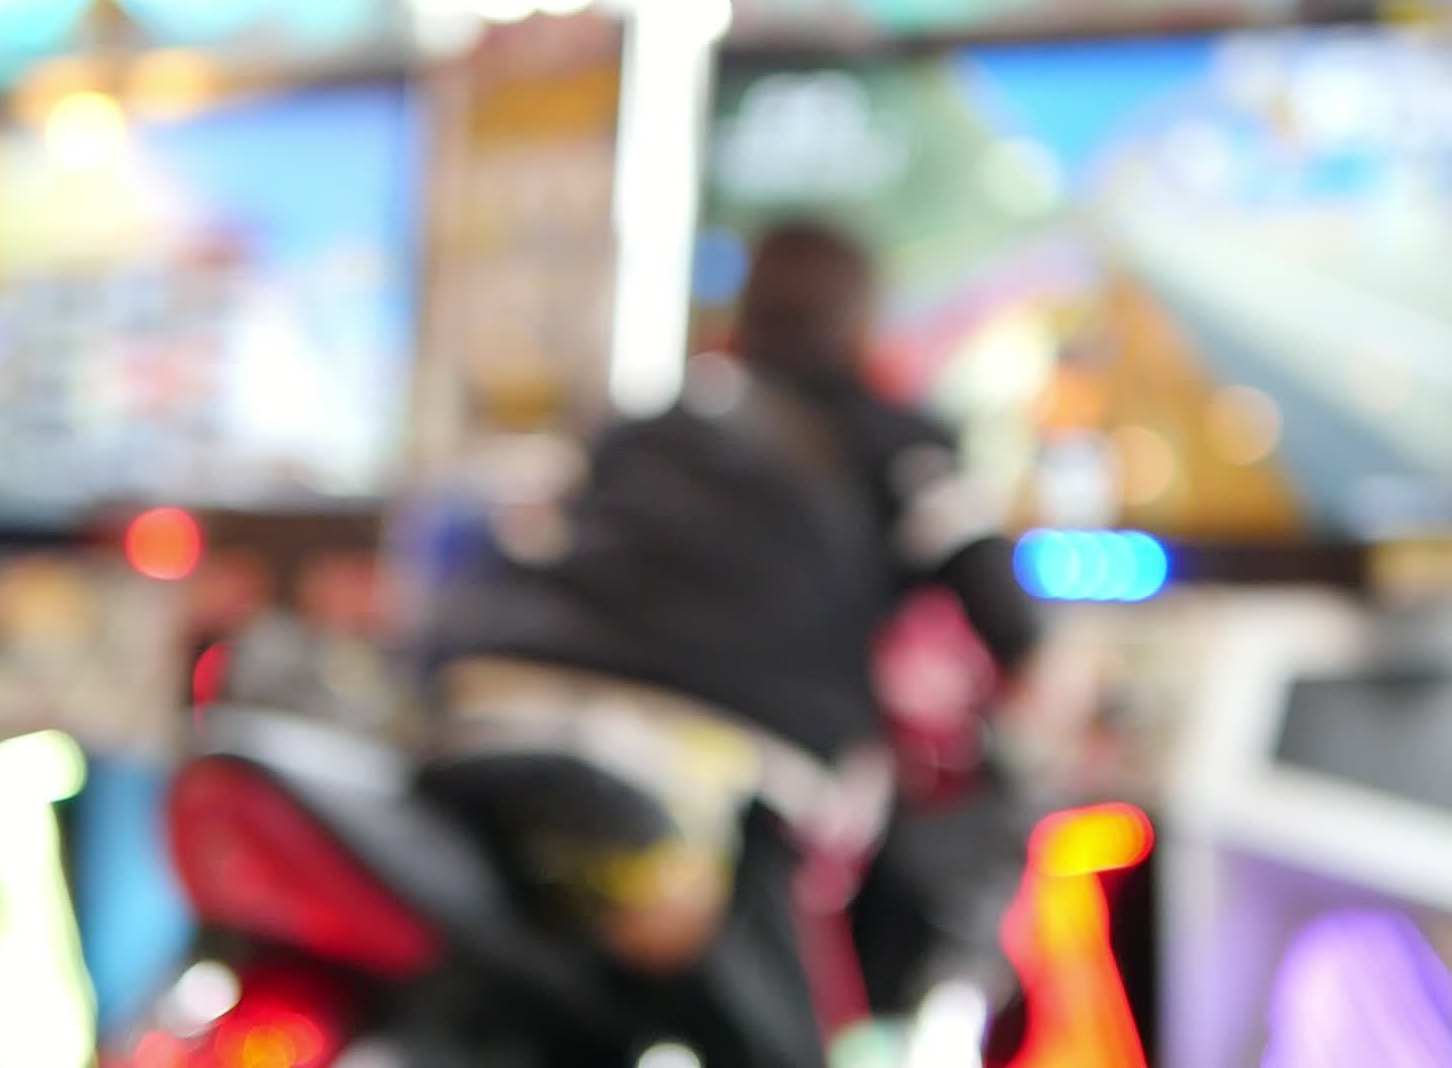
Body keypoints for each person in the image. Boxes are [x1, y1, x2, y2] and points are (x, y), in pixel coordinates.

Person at [419, 220, 1038, 1066]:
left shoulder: (649, 426)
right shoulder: (897, 444)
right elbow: (1012, 619)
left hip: (486, 714)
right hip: (700, 770)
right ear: (862, 321)